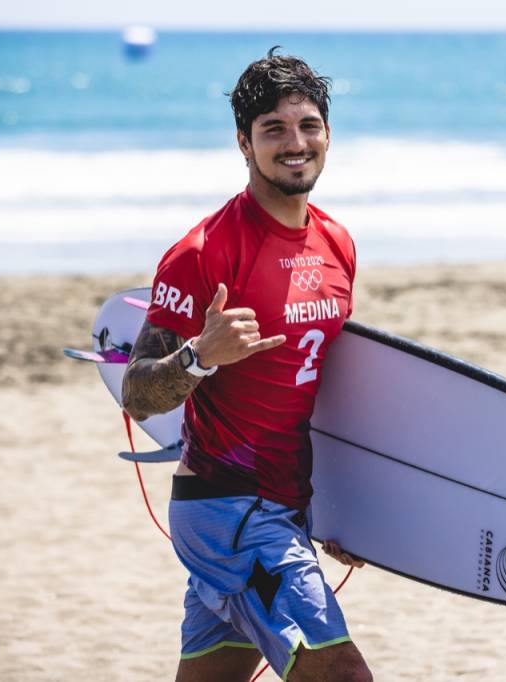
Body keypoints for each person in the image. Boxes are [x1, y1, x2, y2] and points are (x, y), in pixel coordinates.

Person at [121, 47, 372, 682]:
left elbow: (316, 390)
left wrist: (331, 509)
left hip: (284, 504)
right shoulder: (204, 252)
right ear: (244, 142)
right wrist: (200, 358)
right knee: (342, 676)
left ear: (328, 133)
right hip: (229, 506)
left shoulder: (337, 242)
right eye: (273, 130)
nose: (296, 143)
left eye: (308, 125)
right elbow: (138, 393)